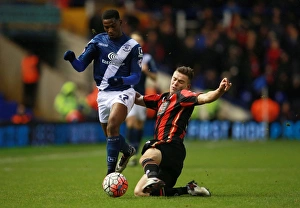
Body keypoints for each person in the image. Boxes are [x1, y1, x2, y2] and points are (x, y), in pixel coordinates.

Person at [63, 9, 143, 175]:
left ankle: (110, 174)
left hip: (124, 91)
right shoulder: (98, 41)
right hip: (103, 94)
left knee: (113, 125)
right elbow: (80, 66)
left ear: (120, 23)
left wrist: (122, 80)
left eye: (113, 26)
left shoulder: (133, 47)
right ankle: (127, 150)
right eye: (106, 27)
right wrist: (72, 59)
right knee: (110, 135)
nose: (110, 30)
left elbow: (136, 76)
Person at [133, 66, 232, 196]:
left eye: (180, 81)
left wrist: (219, 91)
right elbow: (138, 99)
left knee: (147, 152)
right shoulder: (161, 99)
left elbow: (205, 97)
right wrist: (119, 89)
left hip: (170, 146)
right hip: (170, 156)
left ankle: (152, 176)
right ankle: (188, 189)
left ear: (187, 86)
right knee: (141, 192)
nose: (175, 83)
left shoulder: (184, 96)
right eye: (174, 79)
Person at [126, 32, 158, 166]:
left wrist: (146, 71)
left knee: (139, 125)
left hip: (141, 96)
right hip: (127, 94)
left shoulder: (147, 58)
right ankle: (129, 152)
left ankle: (135, 153)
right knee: (131, 122)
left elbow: (155, 77)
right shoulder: (124, 58)